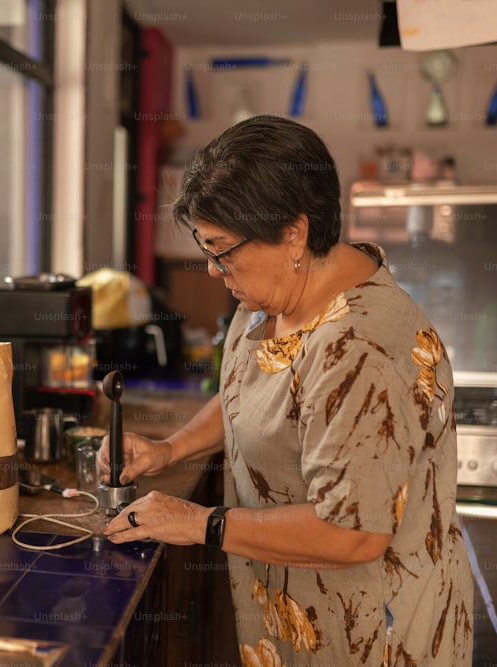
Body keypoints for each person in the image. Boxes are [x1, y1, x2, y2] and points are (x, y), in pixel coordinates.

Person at [102, 115, 473, 666]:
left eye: (221, 249)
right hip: (298, 612)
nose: (210, 269)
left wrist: (198, 521)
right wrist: (169, 450)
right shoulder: (272, 292)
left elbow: (353, 534)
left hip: (372, 633)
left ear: (294, 233)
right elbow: (251, 390)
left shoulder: (360, 349)